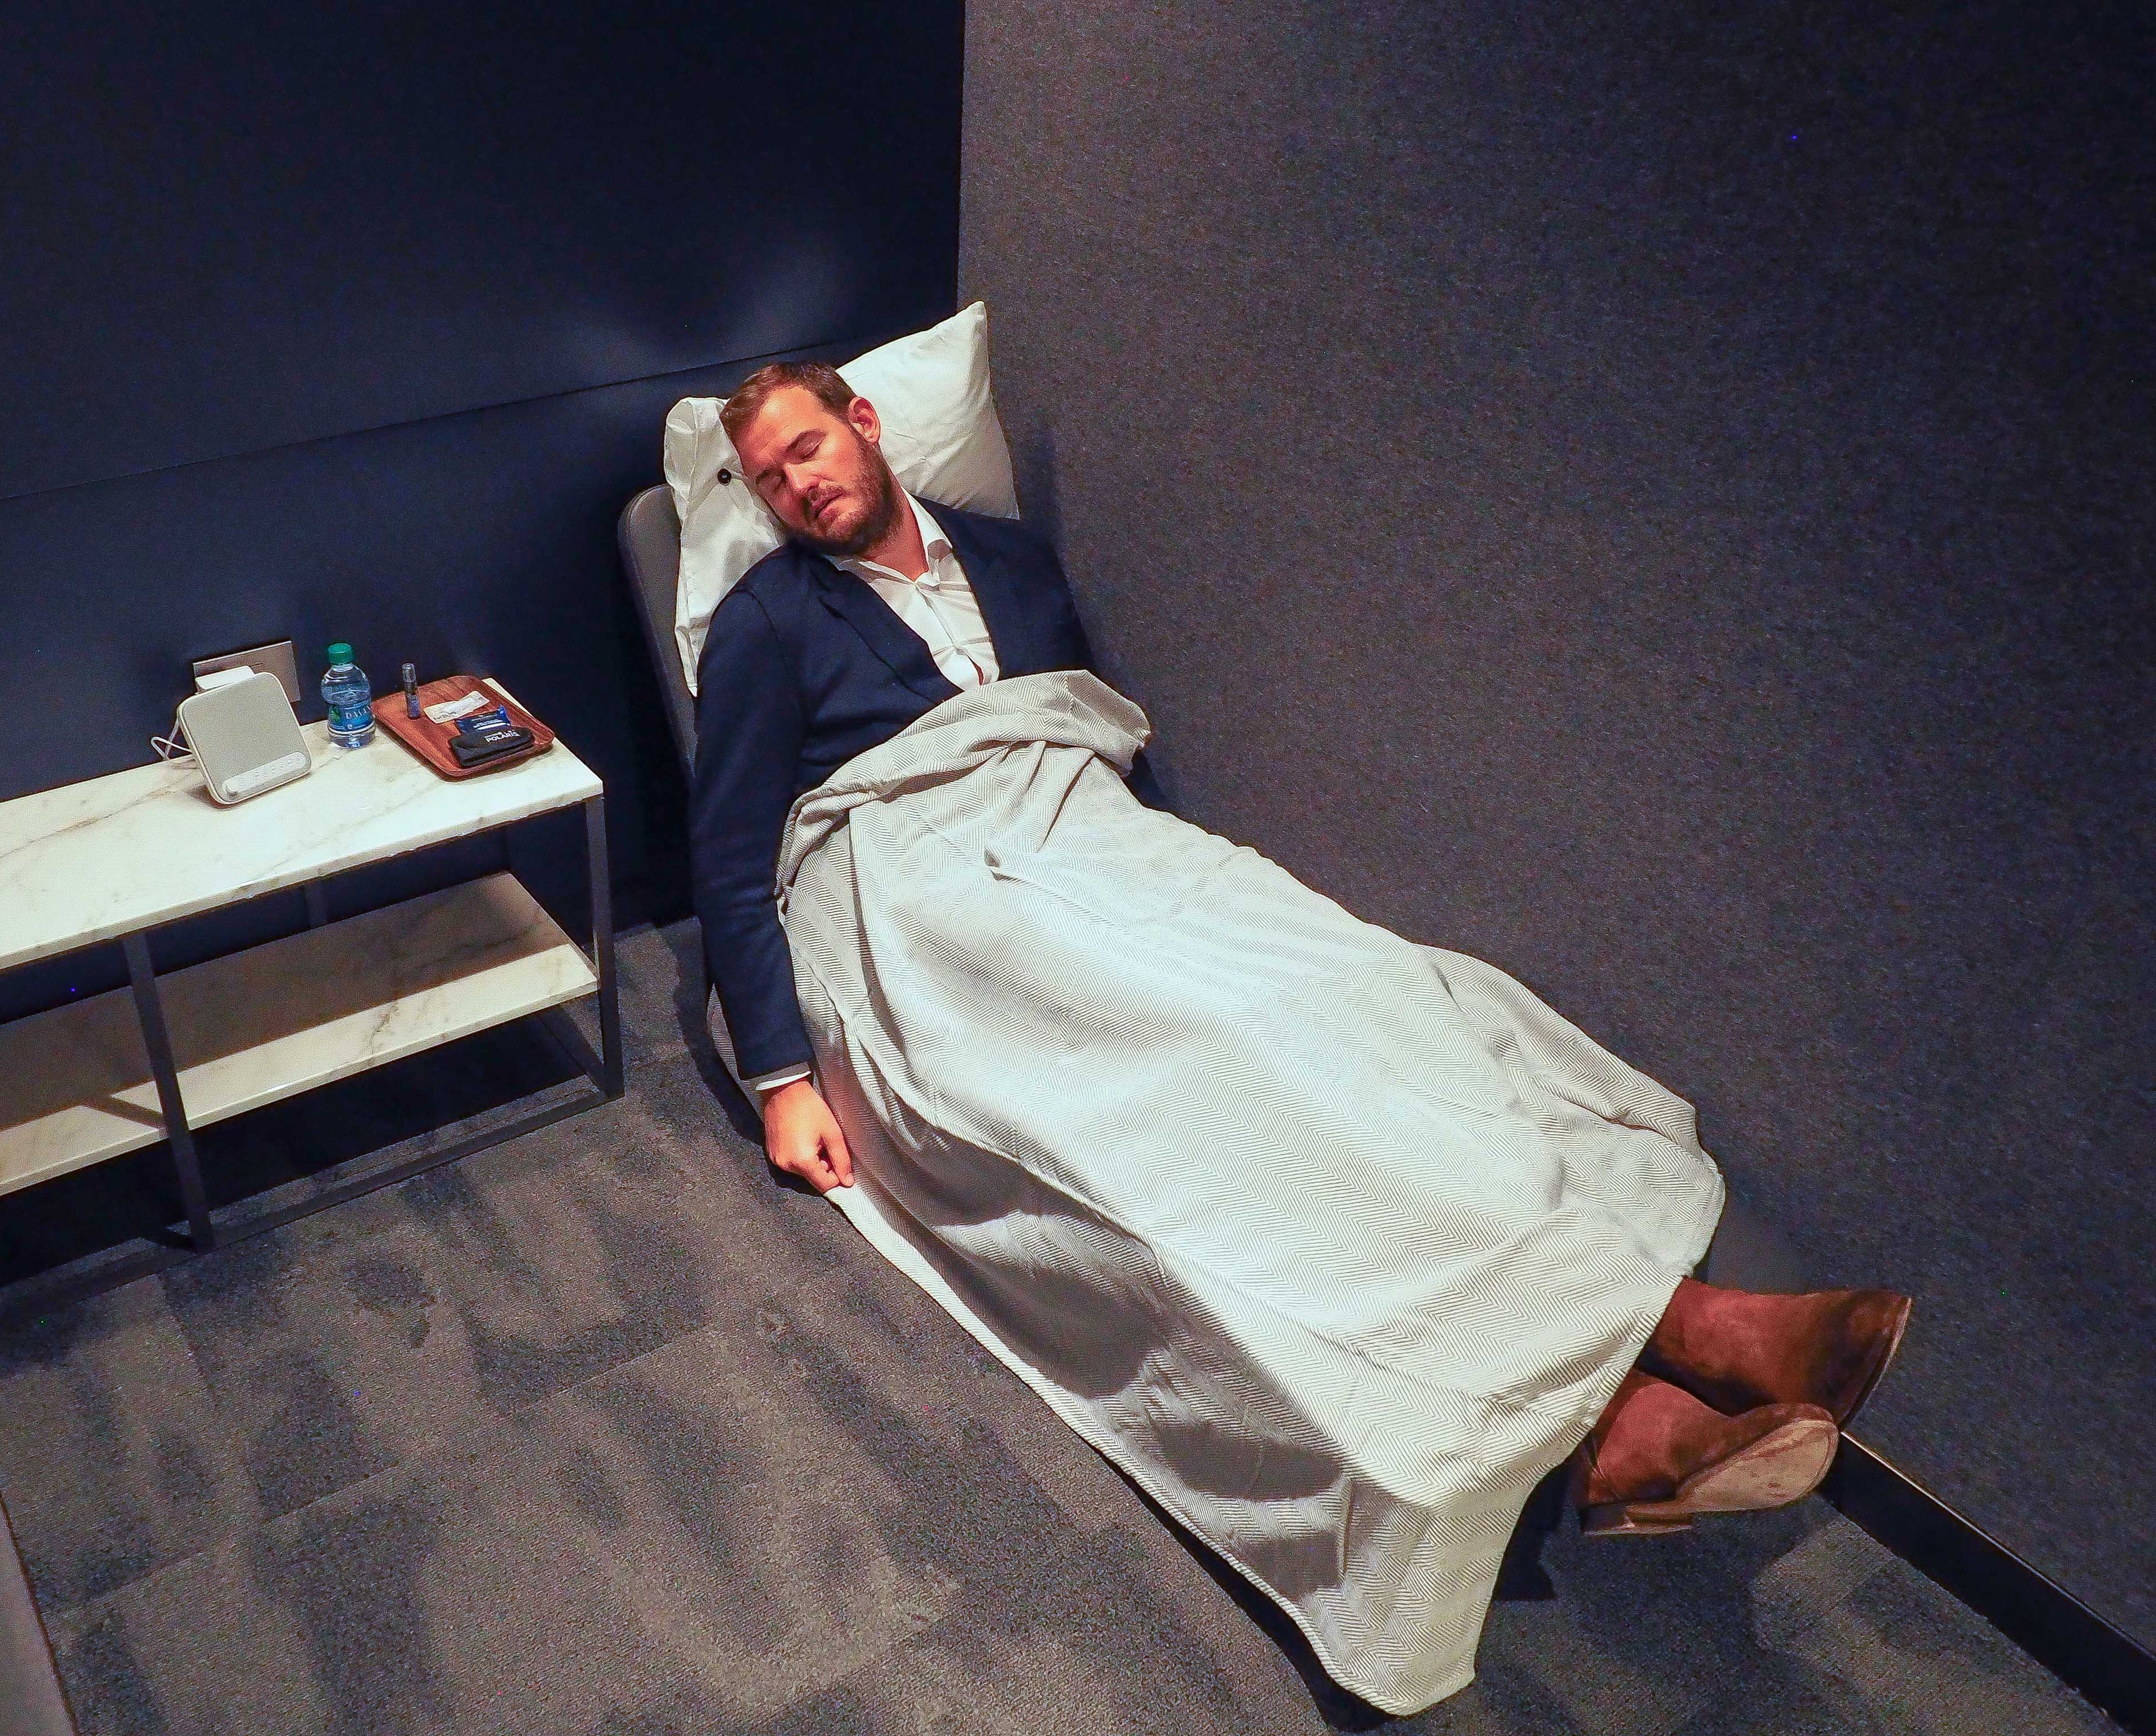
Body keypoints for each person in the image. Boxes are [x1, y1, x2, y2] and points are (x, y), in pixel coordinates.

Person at [688, 357, 1910, 1707]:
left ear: (865, 423)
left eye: (810, 447)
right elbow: (735, 856)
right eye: (770, 479)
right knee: (1223, 1063)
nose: (800, 486)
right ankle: (1632, 1394)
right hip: (919, 891)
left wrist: (1164, 882)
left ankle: (1656, 1348)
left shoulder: (1011, 559)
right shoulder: (764, 625)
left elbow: (1079, 736)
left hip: (1084, 836)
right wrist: (784, 1073)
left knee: (1356, 992)